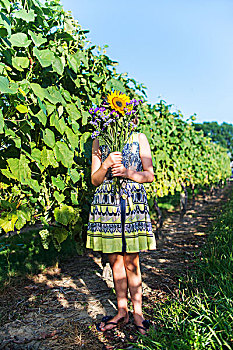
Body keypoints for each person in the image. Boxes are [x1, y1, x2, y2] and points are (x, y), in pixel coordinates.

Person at [86, 122, 156, 335]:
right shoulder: (99, 139)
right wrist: (105, 164)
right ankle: (122, 311)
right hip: (107, 205)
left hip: (131, 203)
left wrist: (127, 173)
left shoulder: (139, 138)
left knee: (132, 261)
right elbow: (95, 180)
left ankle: (138, 314)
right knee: (115, 261)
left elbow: (149, 175)